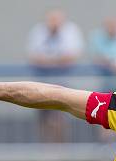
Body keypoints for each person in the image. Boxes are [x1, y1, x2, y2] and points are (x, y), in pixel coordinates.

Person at [26, 9, 85, 143]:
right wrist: (57, 61)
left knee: (60, 116)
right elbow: (34, 57)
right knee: (43, 117)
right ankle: (46, 148)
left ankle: (60, 147)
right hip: (41, 82)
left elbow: (71, 57)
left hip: (63, 83)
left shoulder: (70, 31)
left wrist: (48, 61)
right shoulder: (39, 31)